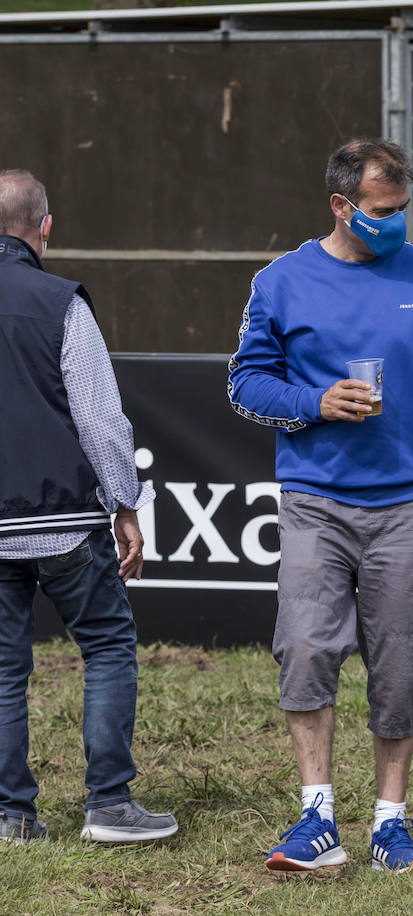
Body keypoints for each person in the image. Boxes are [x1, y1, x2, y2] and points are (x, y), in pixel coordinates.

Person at [227, 138, 413, 873]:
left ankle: (390, 825)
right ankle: (316, 819)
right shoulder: (280, 281)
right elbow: (246, 384)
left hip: (408, 506)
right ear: (341, 206)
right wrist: (315, 401)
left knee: (399, 665)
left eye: (403, 208)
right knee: (305, 648)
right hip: (314, 502)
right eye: (381, 211)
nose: (396, 221)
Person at [0, 170, 178, 846]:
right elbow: (101, 422)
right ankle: (109, 806)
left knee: (2, 666)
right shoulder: (60, 302)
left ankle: (10, 817)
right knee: (106, 648)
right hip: (65, 521)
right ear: (44, 227)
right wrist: (126, 505)